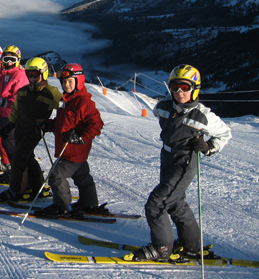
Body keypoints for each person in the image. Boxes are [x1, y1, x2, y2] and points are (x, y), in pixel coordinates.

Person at [127, 64, 232, 262]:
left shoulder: (202, 116)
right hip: (166, 157)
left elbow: (225, 133)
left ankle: (162, 248)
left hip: (185, 161)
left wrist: (208, 146)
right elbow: (161, 115)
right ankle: (192, 245)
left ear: (195, 89)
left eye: (185, 87)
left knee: (157, 203)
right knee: (175, 202)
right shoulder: (163, 107)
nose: (179, 92)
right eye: (175, 87)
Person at [36, 63, 104, 216]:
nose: (66, 85)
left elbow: (97, 124)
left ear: (79, 82)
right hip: (68, 148)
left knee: (56, 175)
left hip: (74, 150)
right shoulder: (66, 101)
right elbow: (62, 123)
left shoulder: (83, 102)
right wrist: (48, 125)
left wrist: (80, 137)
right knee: (81, 176)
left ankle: (62, 206)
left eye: (70, 82)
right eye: (64, 82)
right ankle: (89, 203)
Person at [0, 58, 63, 201]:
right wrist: (9, 126)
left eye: (35, 74)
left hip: (35, 129)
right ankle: (37, 187)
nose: (32, 78)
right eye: (29, 74)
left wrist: (60, 124)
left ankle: (16, 191)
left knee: (19, 158)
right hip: (21, 127)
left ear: (44, 73)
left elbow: (65, 107)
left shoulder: (51, 92)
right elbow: (15, 111)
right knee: (28, 158)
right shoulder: (23, 91)